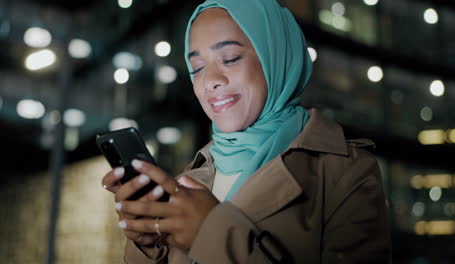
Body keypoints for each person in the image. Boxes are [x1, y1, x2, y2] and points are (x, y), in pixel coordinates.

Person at [101, 0, 392, 263]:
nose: (210, 80)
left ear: (275, 56)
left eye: (229, 58)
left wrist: (211, 233)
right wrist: (150, 244)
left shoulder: (346, 171)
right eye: (197, 67)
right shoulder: (189, 178)